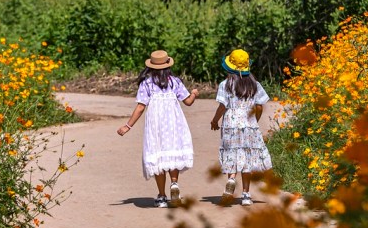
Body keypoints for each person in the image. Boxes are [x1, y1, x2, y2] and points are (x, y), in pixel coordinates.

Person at [117, 50, 199, 208]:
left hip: (155, 126)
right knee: (172, 153)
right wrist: (194, 93)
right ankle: (174, 184)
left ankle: (162, 196)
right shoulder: (175, 82)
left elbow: (141, 107)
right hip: (173, 125)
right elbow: (188, 101)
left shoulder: (146, 84)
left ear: (151, 67)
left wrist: (128, 126)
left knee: (158, 156)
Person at [210, 49, 272, 206]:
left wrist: (214, 121)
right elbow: (259, 107)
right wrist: (254, 120)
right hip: (249, 124)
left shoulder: (226, 85)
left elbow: (222, 106)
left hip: (231, 125)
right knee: (247, 158)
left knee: (232, 153)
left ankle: (231, 179)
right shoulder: (255, 85)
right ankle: (246, 195)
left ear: (229, 67)